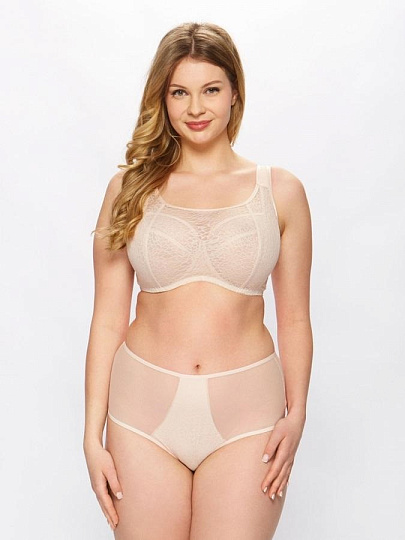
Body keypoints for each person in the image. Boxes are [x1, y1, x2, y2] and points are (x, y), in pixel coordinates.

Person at [83, 21, 313, 540]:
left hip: (248, 415)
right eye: (179, 92)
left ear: (234, 92)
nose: (195, 108)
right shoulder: (128, 189)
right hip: (142, 413)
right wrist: (91, 434)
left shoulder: (280, 192)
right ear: (162, 99)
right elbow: (107, 319)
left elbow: (295, 317)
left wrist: (297, 414)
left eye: (210, 89)